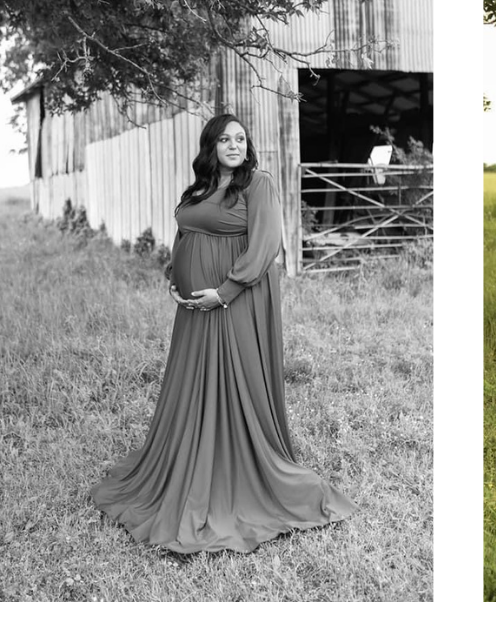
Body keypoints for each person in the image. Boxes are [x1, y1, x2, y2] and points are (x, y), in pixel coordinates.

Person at [90, 113, 356, 553]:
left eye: (241, 138)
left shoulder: (257, 184)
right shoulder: (198, 189)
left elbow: (266, 244)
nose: (235, 145)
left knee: (237, 384)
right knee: (194, 386)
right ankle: (192, 461)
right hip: (196, 309)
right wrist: (175, 276)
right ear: (211, 145)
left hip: (238, 301)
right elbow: (184, 233)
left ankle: (240, 476)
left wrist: (226, 291)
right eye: (225, 139)